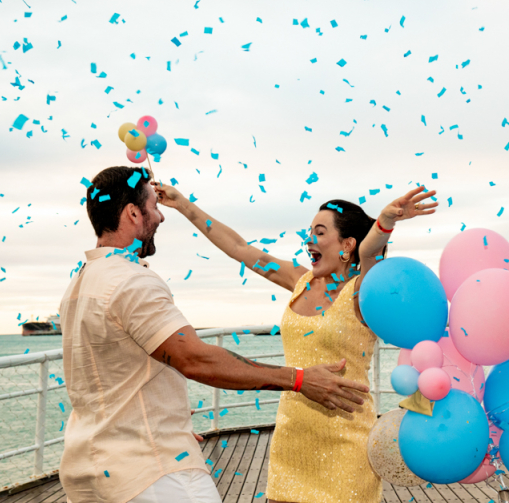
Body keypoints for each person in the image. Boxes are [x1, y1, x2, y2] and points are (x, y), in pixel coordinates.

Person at [59, 166, 369, 503]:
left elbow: (108, 373)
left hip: (89, 469)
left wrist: (166, 419)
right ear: (133, 213)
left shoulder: (79, 285)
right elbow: (194, 357)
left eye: (319, 232)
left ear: (348, 243)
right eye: (154, 207)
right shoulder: (133, 281)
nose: (161, 217)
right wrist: (298, 380)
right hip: (149, 472)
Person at [155, 181, 438, 503]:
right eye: (309, 232)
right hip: (291, 438)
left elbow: (370, 252)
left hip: (347, 443)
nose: (309, 240)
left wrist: (385, 221)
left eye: (319, 232)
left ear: (346, 244)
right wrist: (182, 204)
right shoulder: (299, 281)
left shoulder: (363, 291)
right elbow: (239, 248)